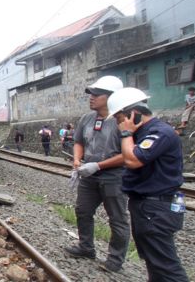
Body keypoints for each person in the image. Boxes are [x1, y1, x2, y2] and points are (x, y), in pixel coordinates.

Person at [107, 87, 188, 281]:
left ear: (132, 114)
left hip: (157, 208)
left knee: (166, 266)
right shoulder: (145, 132)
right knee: (154, 261)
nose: (118, 124)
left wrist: (126, 134)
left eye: (119, 118)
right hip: (148, 206)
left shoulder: (160, 133)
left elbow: (133, 160)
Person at [64, 75, 130, 273]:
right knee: (83, 210)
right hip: (89, 175)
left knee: (117, 218)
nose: (91, 97)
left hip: (114, 176)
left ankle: (115, 259)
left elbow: (128, 154)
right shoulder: (87, 118)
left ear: (111, 97)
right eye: (90, 94)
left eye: (96, 94)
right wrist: (77, 160)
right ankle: (86, 247)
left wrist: (99, 165)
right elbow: (78, 142)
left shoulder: (122, 120)